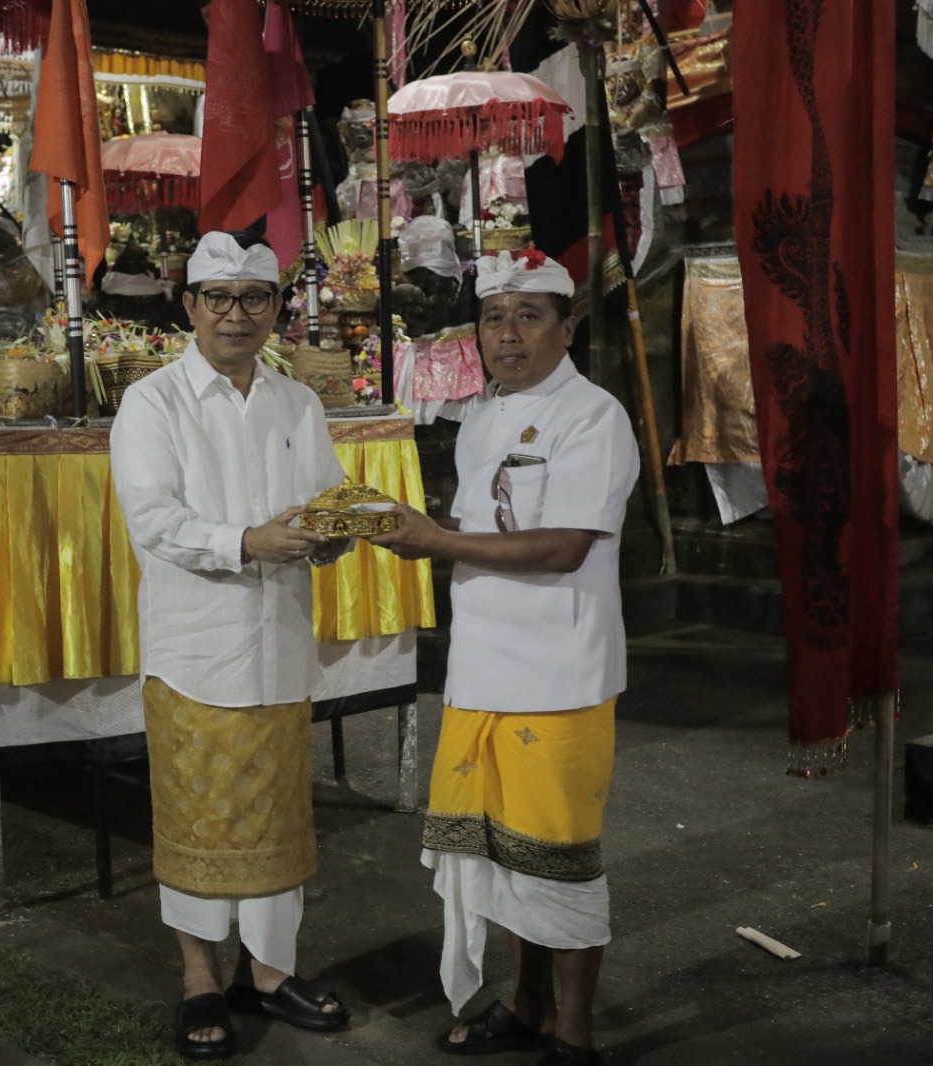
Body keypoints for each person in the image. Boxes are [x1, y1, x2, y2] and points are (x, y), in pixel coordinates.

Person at [370, 248, 639, 1066]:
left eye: (530, 316)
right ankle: (526, 1006)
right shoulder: (484, 413)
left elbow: (561, 548)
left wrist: (437, 540)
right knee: (496, 850)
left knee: (558, 858)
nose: (509, 333)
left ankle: (576, 1030)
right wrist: (408, 535)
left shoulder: (593, 416)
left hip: (558, 671)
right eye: (494, 317)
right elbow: (476, 537)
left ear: (567, 327)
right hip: (481, 668)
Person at [110, 230, 353, 1060]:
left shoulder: (297, 403)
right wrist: (249, 541)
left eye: (255, 298)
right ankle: (200, 979)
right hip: (195, 651)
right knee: (200, 820)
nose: (236, 315)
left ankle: (272, 973)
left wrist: (333, 532)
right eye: (218, 298)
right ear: (189, 308)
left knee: (279, 817)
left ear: (277, 307)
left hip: (279, 642)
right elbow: (155, 521)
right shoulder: (153, 403)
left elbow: (324, 500)